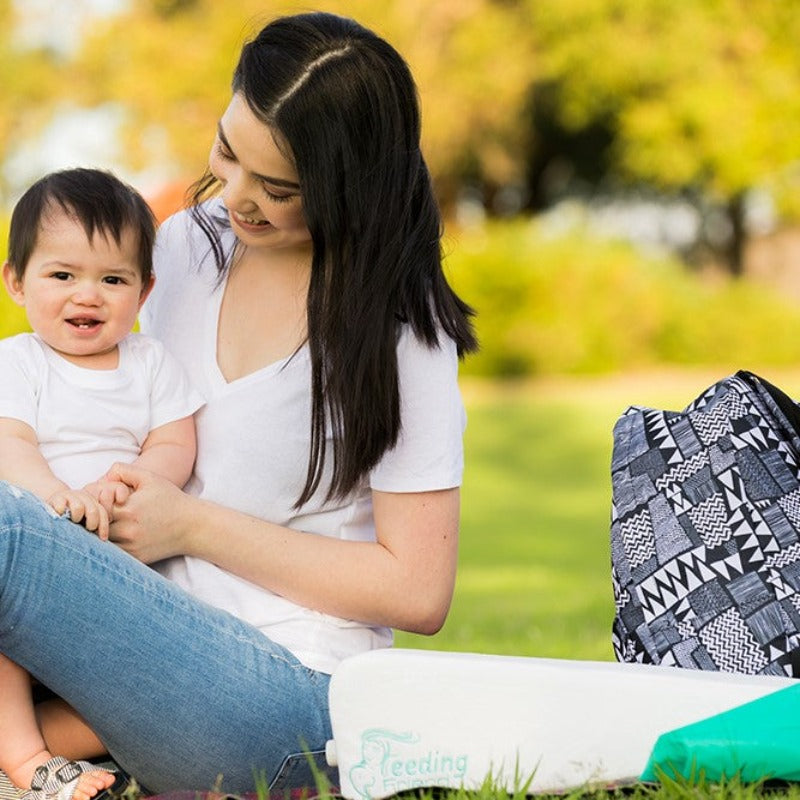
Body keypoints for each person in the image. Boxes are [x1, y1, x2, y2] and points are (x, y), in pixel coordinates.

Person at [0, 11, 477, 796]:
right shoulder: (187, 246)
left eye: (278, 188)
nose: (237, 197)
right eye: (228, 153)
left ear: (347, 186)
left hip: (288, 693)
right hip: (136, 651)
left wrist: (191, 526)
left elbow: (419, 593)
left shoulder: (401, 332)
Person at [0, 168, 203, 800]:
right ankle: (28, 763)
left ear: (144, 291)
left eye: (113, 280)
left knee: (140, 691)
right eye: (62, 275)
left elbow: (174, 443)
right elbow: (10, 443)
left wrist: (131, 484)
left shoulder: (151, 364)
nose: (87, 296)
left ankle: (68, 752)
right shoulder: (19, 361)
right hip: (34, 562)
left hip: (121, 575)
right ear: (16, 281)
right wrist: (55, 496)